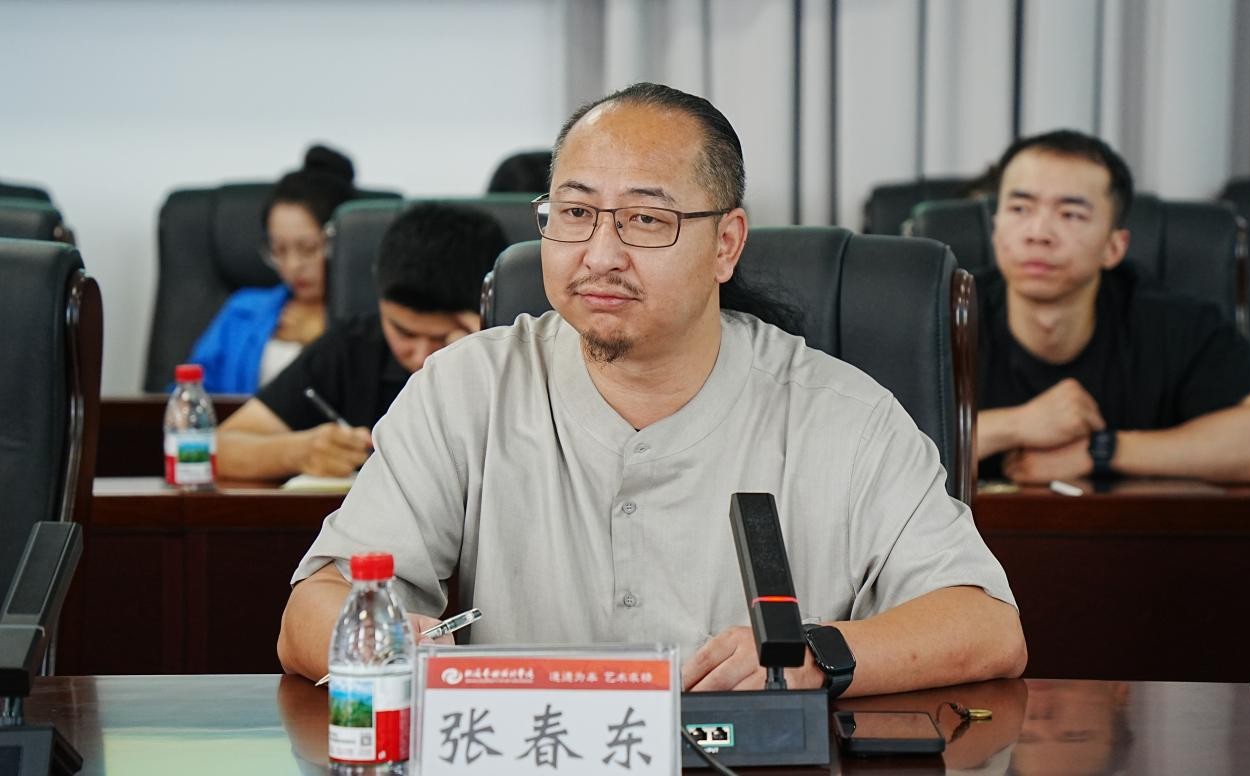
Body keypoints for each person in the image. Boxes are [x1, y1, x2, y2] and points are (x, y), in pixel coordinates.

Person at [278, 82, 1026, 696]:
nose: (599, 254)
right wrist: (382, 639)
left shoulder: (843, 415)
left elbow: (986, 625)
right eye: (574, 213)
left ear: (726, 244)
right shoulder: (465, 388)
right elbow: (309, 614)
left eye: (644, 219)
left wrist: (816, 655)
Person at [974, 129, 1250, 484]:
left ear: (1114, 248)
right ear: (995, 229)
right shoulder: (947, 315)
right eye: (1019, 209)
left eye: (1070, 214)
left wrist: (1102, 450)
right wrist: (1015, 425)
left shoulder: (1173, 323)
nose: (1038, 233)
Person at [215, 203, 507, 480]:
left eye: (443, 338)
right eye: (404, 333)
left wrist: (485, 355)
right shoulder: (351, 348)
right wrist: (297, 452)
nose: (421, 356)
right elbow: (220, 447)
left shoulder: (514, 356)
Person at [186, 145, 356, 393]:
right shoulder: (243, 311)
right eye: (279, 250)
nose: (293, 265)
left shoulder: (371, 320)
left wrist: (327, 340)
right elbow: (190, 392)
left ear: (343, 241)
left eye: (308, 248)